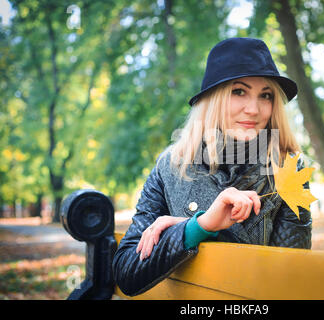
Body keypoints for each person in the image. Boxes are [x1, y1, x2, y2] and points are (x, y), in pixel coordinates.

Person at [112, 37, 312, 297]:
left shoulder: (287, 170)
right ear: (213, 99)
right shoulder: (171, 167)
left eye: (266, 95)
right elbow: (127, 273)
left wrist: (198, 228)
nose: (253, 109)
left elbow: (288, 281)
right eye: (238, 91)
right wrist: (198, 226)